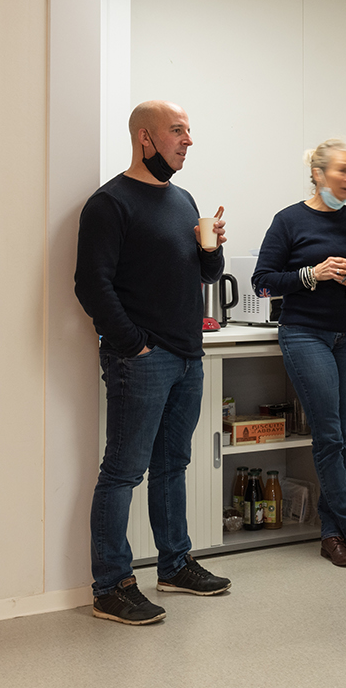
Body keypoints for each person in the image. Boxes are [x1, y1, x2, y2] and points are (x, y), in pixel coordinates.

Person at [75, 99, 232, 625]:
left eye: (189, 131)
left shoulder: (184, 200)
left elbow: (206, 275)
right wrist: (132, 344)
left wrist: (211, 248)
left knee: (172, 465)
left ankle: (174, 564)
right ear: (145, 138)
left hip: (188, 355)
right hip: (141, 361)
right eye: (177, 130)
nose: (188, 140)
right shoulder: (109, 204)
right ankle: (110, 586)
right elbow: (90, 284)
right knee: (123, 472)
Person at [252, 138, 346, 569]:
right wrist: (312, 274)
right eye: (342, 171)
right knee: (329, 436)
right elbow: (262, 282)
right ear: (317, 174)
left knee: (341, 438)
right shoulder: (289, 220)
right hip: (305, 334)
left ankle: (331, 535)